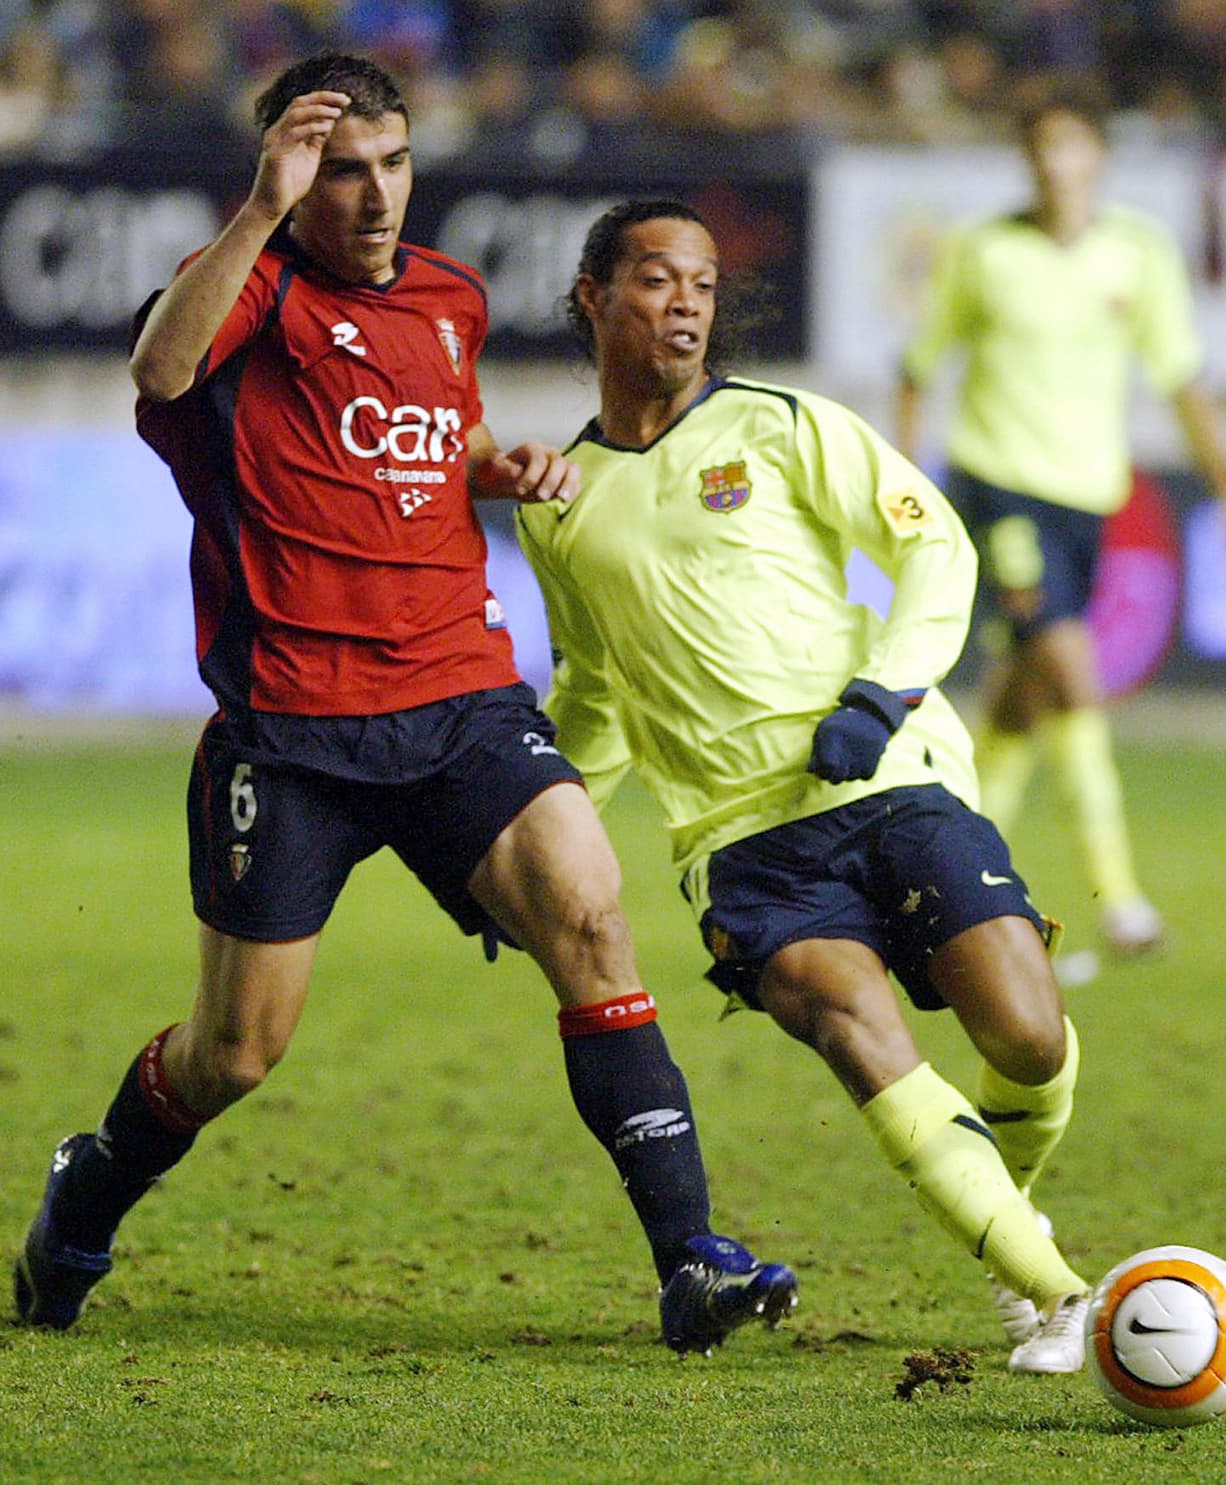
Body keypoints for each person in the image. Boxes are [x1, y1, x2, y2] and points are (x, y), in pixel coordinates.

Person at [12, 55, 797, 1357]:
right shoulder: (246, 299)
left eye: (392, 166)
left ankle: (690, 1260)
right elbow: (157, 372)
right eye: (341, 170)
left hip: (459, 696)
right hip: (292, 729)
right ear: (292, 175)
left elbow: (418, 450)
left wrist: (494, 467)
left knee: (591, 915)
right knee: (234, 1054)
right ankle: (86, 1193)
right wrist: (263, 210)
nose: (374, 197)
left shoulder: (450, 299)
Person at [517, 198, 1094, 1374]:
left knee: (1029, 1038)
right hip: (740, 845)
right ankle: (1059, 1292)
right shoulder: (560, 502)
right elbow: (592, 688)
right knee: (850, 1021)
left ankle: (1004, 1220)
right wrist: (525, 817)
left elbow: (935, 546)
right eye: (656, 280)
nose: (685, 304)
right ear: (592, 295)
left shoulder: (782, 427)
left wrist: (879, 692)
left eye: (704, 285)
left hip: (890, 780)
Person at [894, 83, 1226, 963]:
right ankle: (1124, 900)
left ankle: (939, 882)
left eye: (1071, 146)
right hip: (998, 485)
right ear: (1028, 160)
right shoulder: (982, 252)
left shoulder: (1138, 254)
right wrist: (904, 488)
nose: (1057, 163)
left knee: (1020, 703)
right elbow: (918, 368)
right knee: (1073, 671)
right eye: (1041, 148)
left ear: (1095, 155)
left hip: (1087, 496)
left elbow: (1181, 375)